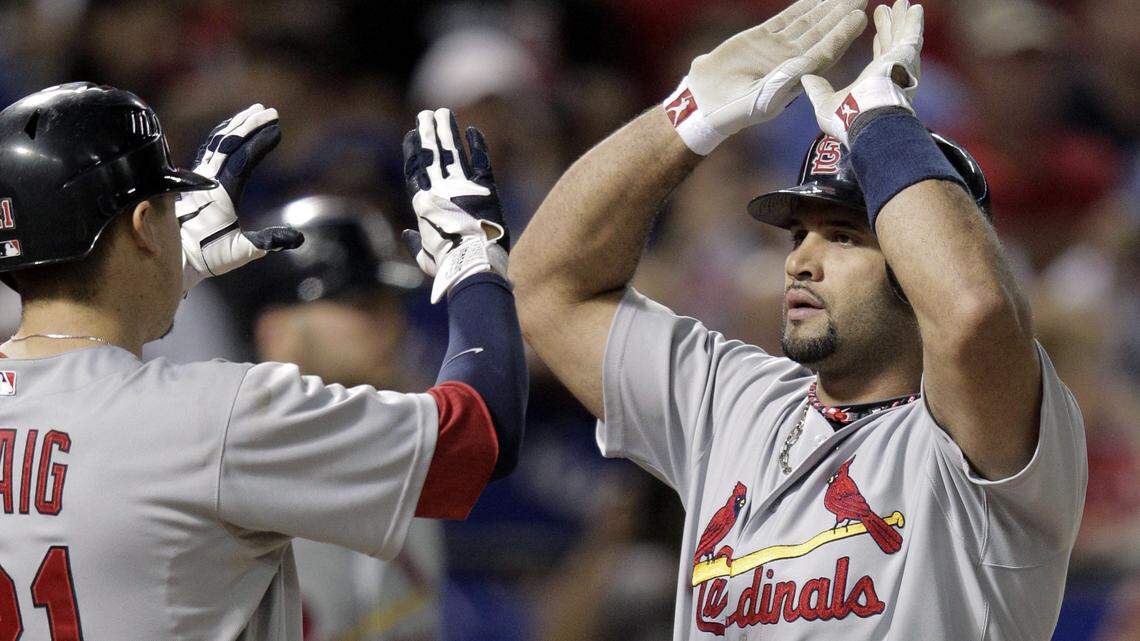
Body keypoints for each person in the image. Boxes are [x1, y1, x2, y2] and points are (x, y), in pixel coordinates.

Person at [509, 0, 1086, 639]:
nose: (801, 261)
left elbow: (974, 311)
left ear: (916, 260)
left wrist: (883, 125)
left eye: (842, 236)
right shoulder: (729, 404)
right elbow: (547, 286)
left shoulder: (984, 434)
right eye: (797, 236)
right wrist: (687, 117)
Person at [0, 82, 525, 640]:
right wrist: (473, 255)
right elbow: (477, 437)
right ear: (142, 227)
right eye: (170, 210)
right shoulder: (216, 417)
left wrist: (164, 271)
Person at [249, 194, 442, 641]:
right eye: (359, 304)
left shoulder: (404, 452)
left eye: (389, 304)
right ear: (277, 330)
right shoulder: (223, 476)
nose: (391, 325)